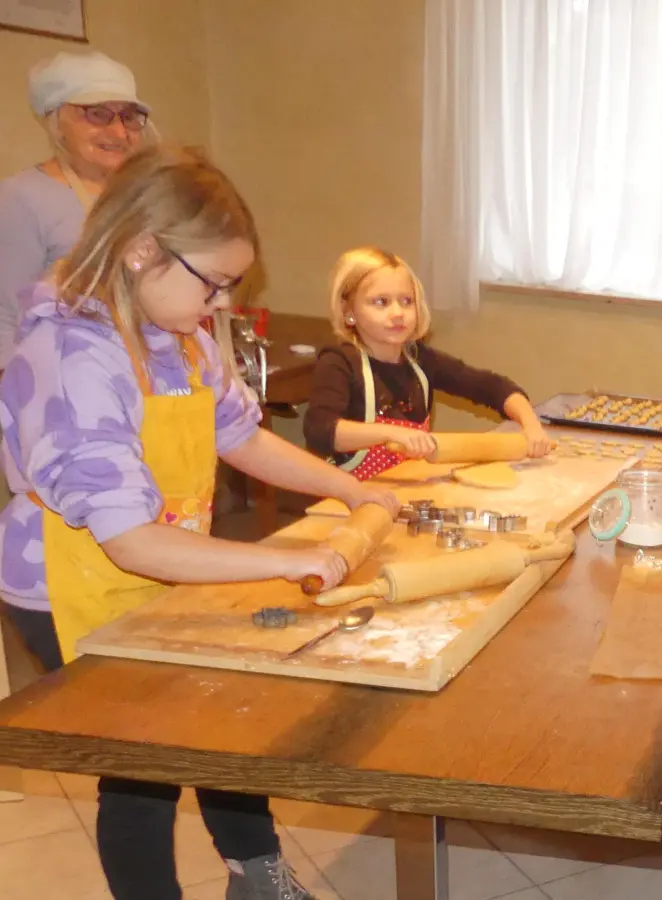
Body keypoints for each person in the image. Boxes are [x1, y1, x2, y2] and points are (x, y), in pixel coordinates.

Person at [0, 145, 396, 899]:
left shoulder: (176, 336)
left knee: (222, 722)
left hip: (162, 561)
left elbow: (240, 436)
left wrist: (350, 494)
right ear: (145, 249)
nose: (220, 304)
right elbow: (127, 538)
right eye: (213, 283)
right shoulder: (73, 352)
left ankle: (256, 875)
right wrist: (287, 560)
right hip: (71, 580)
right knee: (141, 772)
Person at [303, 246, 551, 478]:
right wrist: (390, 434)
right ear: (349, 312)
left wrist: (530, 424)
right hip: (350, 500)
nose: (397, 313)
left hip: (410, 490)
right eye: (381, 302)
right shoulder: (339, 363)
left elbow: (492, 387)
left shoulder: (419, 359)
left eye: (406, 301)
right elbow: (321, 430)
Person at [0, 51, 154, 372]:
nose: (119, 132)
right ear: (56, 121)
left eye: (129, 116)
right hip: (63, 385)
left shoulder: (146, 192)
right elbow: (5, 320)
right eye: (97, 114)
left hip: (145, 373)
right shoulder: (21, 198)